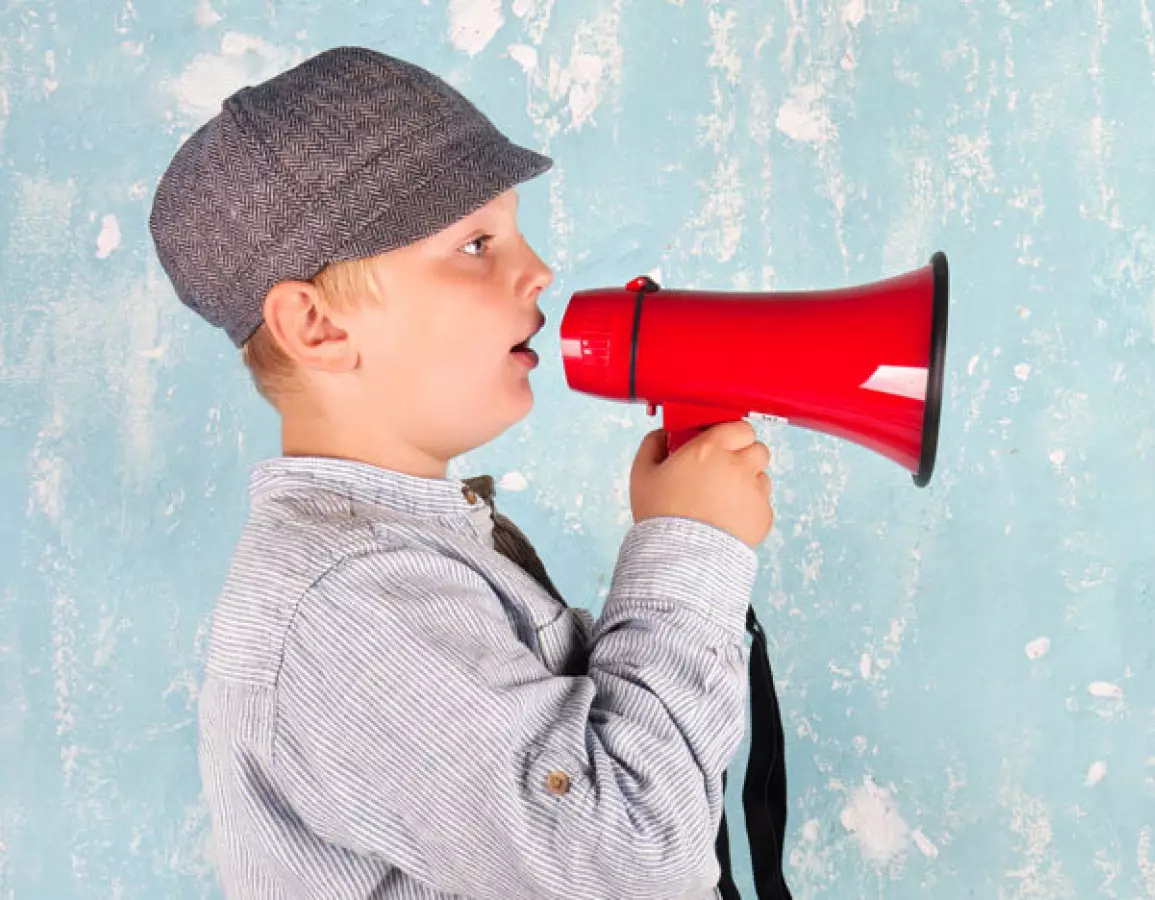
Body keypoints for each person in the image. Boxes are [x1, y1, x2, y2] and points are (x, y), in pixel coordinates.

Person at [148, 45, 773, 899]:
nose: (539, 270)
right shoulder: (349, 605)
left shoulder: (399, 554)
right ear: (318, 327)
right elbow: (633, 854)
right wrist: (686, 555)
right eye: (476, 243)